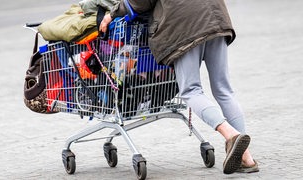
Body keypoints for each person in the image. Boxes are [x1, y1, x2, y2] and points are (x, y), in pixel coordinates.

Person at [100, 0, 259, 174]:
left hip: (185, 25)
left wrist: (112, 14)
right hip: (216, 17)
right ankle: (246, 159)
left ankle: (231, 135)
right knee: (224, 90)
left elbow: (141, 2)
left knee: (191, 90)